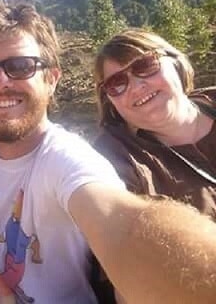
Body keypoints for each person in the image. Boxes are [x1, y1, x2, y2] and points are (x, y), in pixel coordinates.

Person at [0, 1, 216, 304]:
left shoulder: (68, 159)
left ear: (51, 78)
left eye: (20, 66)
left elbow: (125, 228)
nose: (1, 81)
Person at [92, 28, 216, 219]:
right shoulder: (117, 159)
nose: (136, 87)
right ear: (109, 100)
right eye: (116, 83)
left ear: (175, 62)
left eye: (145, 66)